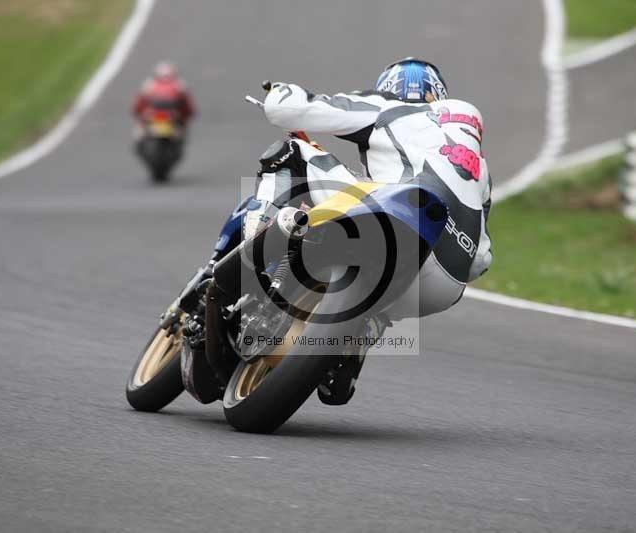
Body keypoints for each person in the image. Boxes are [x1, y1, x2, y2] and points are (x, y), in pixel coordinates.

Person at [251, 58, 493, 403]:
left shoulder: (387, 107)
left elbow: (290, 110)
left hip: (391, 219)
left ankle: (257, 244)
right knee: (383, 304)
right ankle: (361, 335)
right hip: (444, 284)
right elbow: (481, 259)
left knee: (292, 150)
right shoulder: (478, 166)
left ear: (390, 88)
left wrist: (279, 92)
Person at [132, 61, 197, 135]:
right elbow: (187, 104)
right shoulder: (179, 85)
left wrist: (138, 112)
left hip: (168, 115)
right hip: (160, 114)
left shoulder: (149, 84)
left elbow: (139, 103)